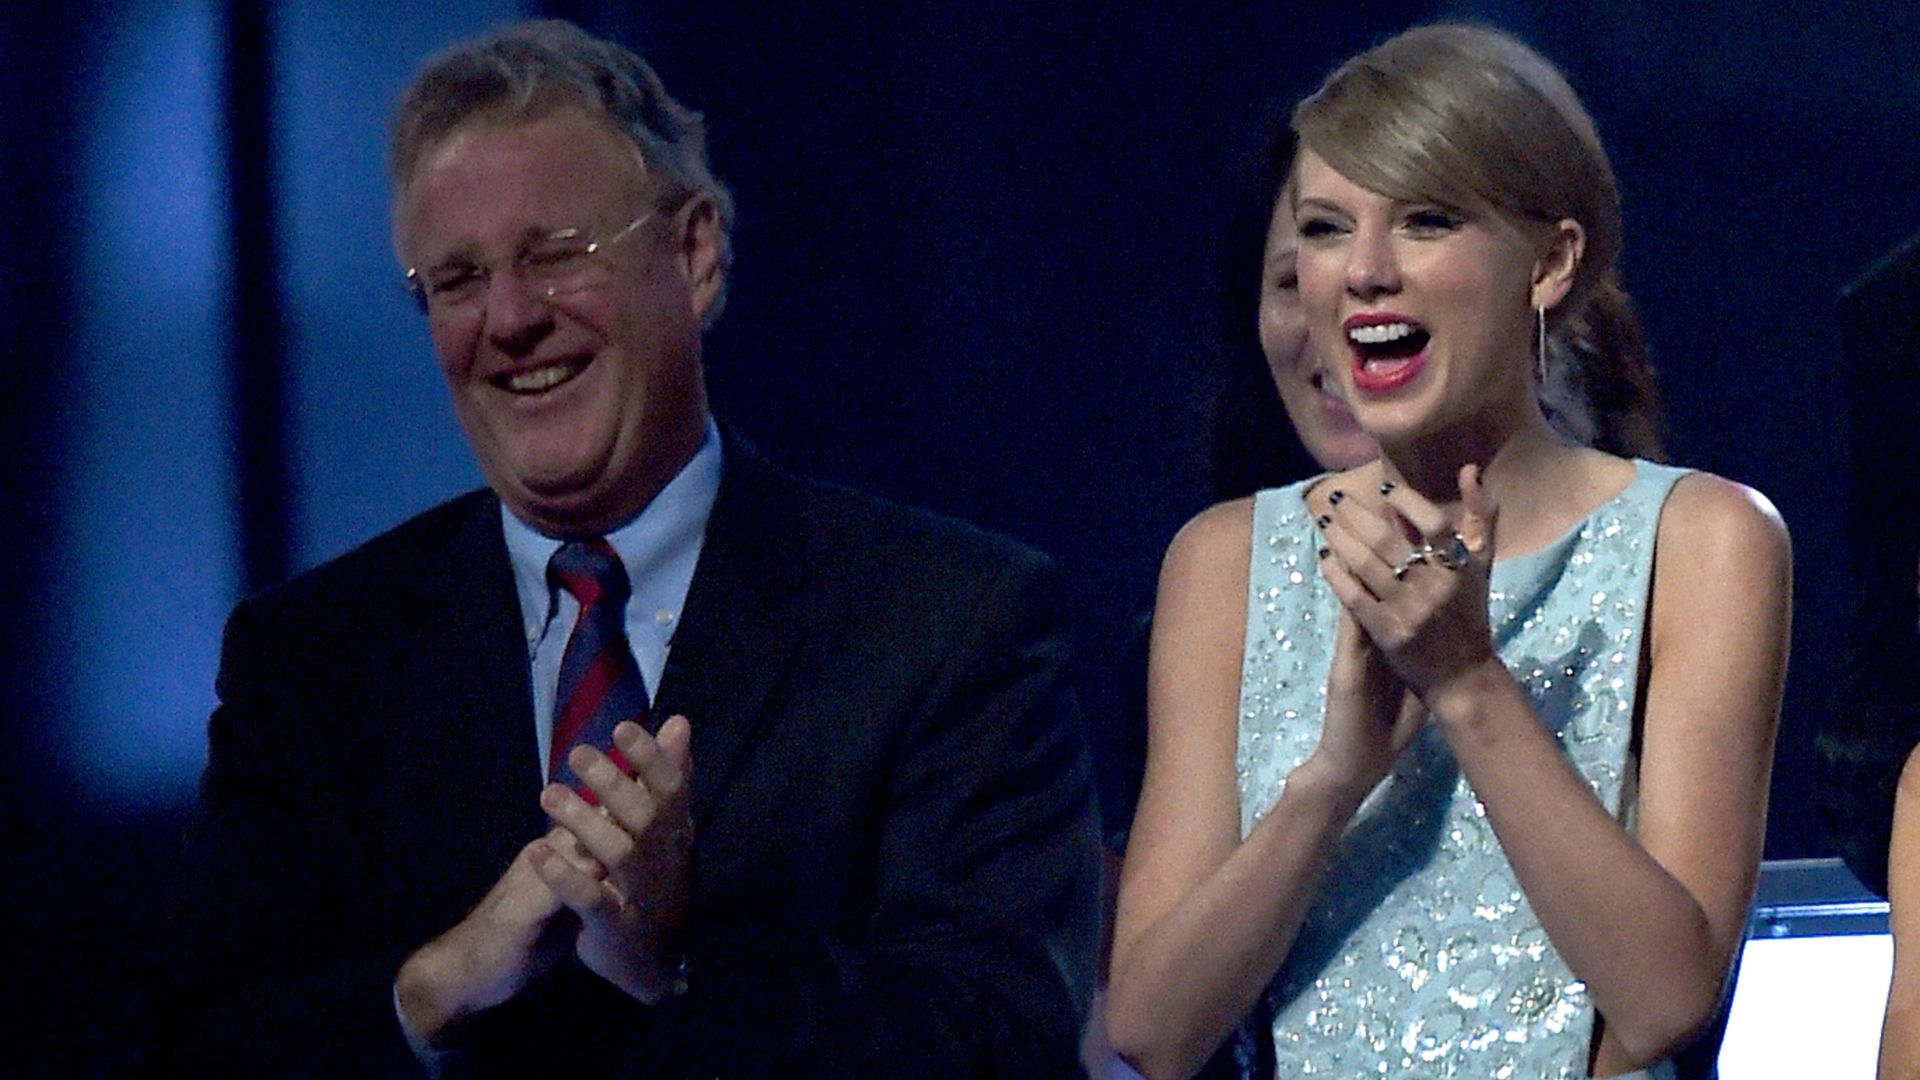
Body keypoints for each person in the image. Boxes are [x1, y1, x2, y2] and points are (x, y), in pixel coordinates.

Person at [153, 20, 1100, 1077]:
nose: (508, 318)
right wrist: (434, 988)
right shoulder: (313, 660)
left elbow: (1002, 1046)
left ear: (693, 255)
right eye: (457, 280)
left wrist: (675, 961)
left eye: (555, 254)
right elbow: (201, 1052)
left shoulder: (946, 623)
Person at [1106, 24, 1789, 1080]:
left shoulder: (1703, 540)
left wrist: (1467, 685)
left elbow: (1664, 1001)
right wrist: (1333, 781)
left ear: (1551, 263)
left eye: (1425, 220)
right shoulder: (1227, 559)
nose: (1364, 272)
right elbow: (1152, 1029)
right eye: (1326, 230)